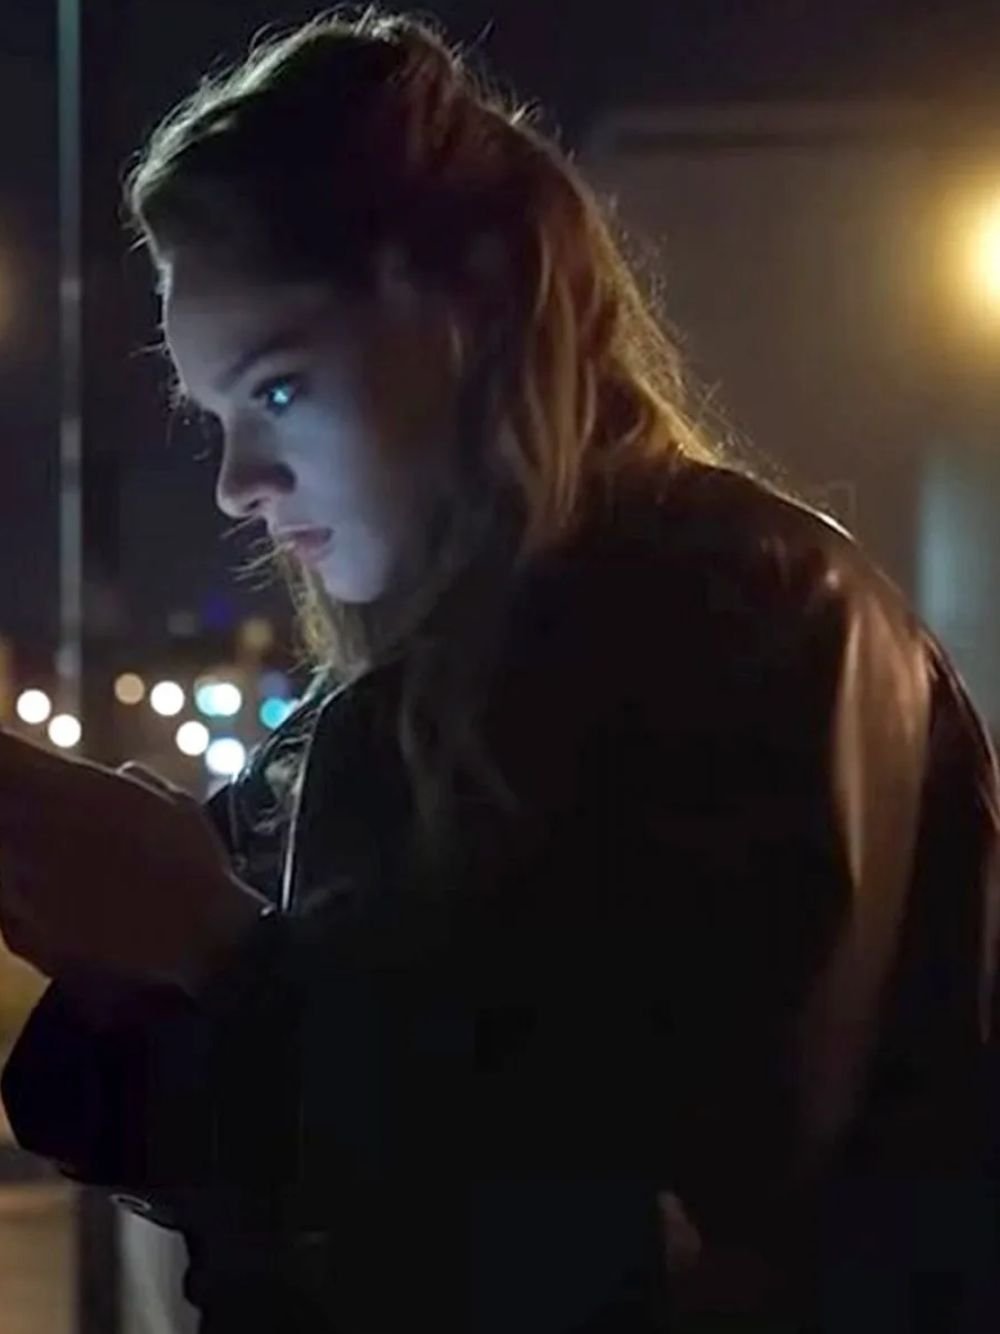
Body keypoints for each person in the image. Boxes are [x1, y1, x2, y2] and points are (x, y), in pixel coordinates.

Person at [1, 10, 998, 1332]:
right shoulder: (391, 709)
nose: (238, 482)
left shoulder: (754, 622)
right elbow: (252, 1154)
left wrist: (214, 947)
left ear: (472, 313)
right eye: (216, 414)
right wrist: (109, 929)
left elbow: (642, 1229)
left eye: (279, 390)